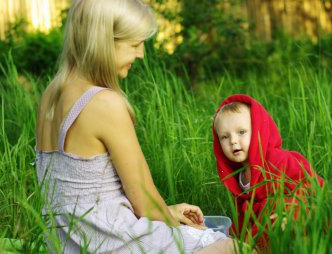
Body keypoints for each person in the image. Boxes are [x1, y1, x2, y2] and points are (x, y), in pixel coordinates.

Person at [35, 0, 236, 253]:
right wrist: (195, 232)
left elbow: (81, 196)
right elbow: (145, 204)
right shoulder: (104, 103)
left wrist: (170, 212)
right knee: (233, 246)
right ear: (103, 42)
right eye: (134, 44)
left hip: (68, 244)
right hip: (111, 243)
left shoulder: (50, 95)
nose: (141, 53)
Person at [212, 94, 325, 251]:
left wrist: (293, 211)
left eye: (241, 132)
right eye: (225, 136)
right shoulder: (238, 175)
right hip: (265, 228)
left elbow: (311, 186)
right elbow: (244, 215)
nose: (233, 141)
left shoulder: (278, 160)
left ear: (258, 131)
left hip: (291, 219)